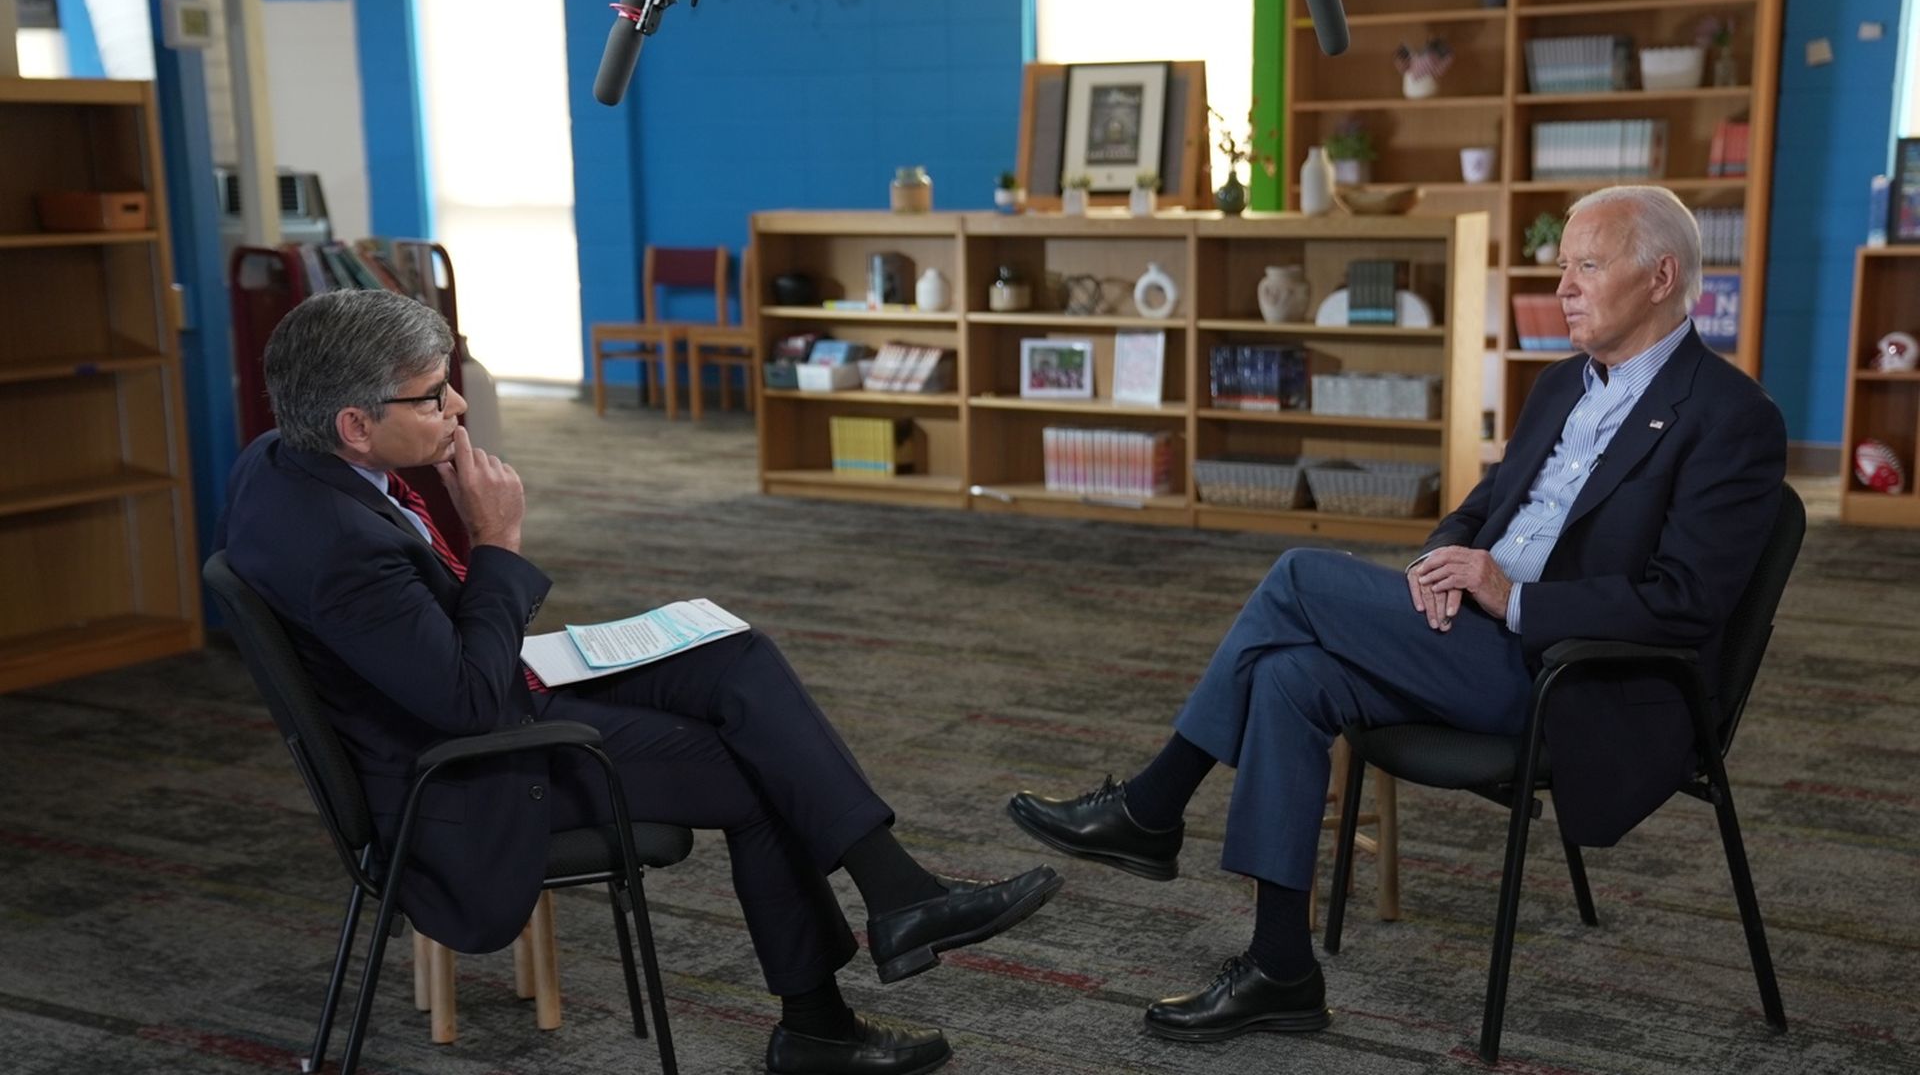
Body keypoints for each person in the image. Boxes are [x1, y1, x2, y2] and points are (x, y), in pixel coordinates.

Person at [1008, 185, 1786, 1042]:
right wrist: (1439, 566)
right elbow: (1481, 510)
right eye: (1562, 266)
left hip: (1570, 677)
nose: (1562, 286)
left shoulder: (1732, 419)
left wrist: (1510, 596)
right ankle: (1281, 969)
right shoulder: (1562, 384)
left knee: (1299, 575)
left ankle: (1153, 808)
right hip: (1471, 637)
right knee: (1289, 675)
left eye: (1587, 266)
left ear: (1661, 276)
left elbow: (1685, 602)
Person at [217, 289, 1062, 1075]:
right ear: (356, 424)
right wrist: (498, 541)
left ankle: (899, 894)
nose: (459, 407)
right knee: (762, 768)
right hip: (470, 779)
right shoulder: (340, 548)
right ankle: (821, 1023)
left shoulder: (280, 459)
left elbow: (429, 660)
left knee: (736, 655)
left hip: (468, 703)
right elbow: (469, 707)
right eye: (434, 396)